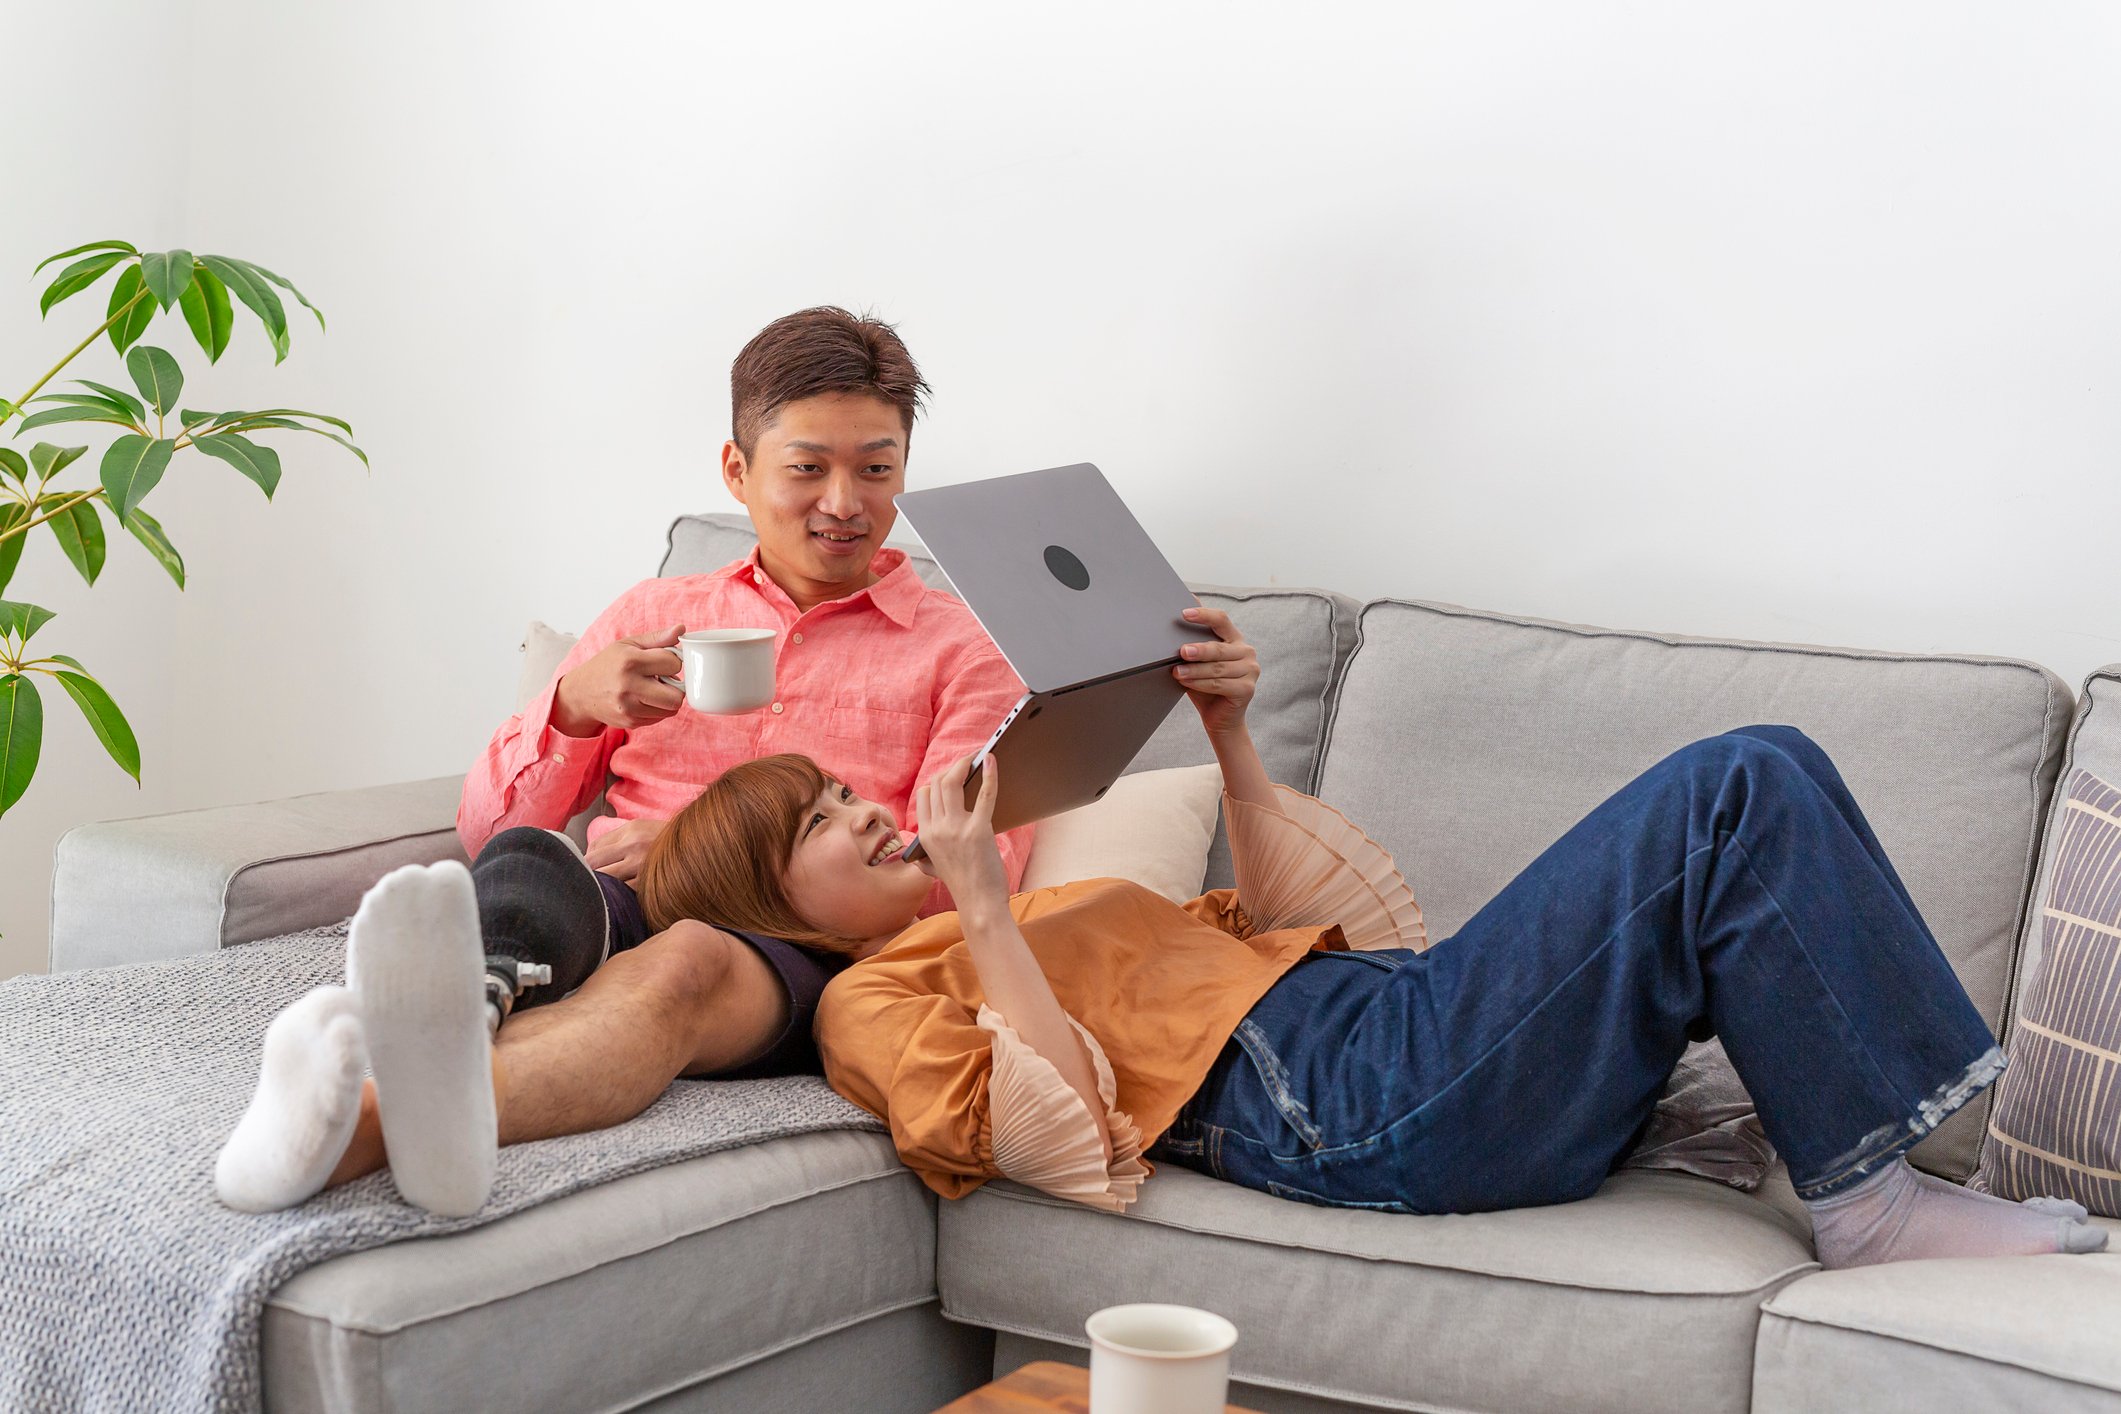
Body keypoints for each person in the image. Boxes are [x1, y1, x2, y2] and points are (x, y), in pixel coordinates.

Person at [220, 609, 2107, 1268]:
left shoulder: (1031, 908)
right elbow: (1067, 1148)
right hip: (1359, 1105)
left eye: (858, 795)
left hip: (1379, 1019)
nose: (877, 809)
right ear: (780, 910)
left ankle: (1865, 1169)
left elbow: (1337, 924)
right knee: (1732, 784)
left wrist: (1220, 731)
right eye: (827, 830)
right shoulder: (888, 998)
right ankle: (1866, 1196)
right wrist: (968, 895)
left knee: (1745, 790)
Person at [212, 306, 1035, 1216]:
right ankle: (474, 1007)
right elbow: (491, 827)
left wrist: (702, 850)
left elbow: (970, 872)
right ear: (738, 469)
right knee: (531, 866)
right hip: (621, 901)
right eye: (807, 468)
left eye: (875, 469)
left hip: (799, 943)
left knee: (686, 958)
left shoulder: (968, 653)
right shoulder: (654, 611)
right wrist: (571, 708)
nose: (844, 503)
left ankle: (359, 1127)